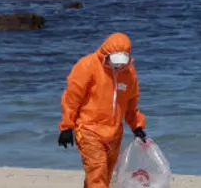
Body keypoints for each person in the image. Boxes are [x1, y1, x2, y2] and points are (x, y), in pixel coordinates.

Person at [59, 32, 148, 188]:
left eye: (122, 62)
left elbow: (131, 103)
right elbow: (72, 98)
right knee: (97, 172)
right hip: (89, 130)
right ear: (106, 53)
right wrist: (67, 126)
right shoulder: (87, 66)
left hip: (114, 133)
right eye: (115, 61)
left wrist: (137, 126)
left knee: (104, 176)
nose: (118, 66)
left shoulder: (128, 73)